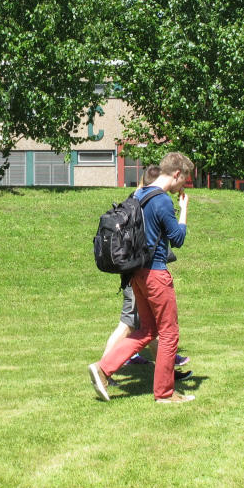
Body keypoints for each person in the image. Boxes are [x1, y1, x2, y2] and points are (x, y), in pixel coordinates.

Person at [88, 151, 194, 403]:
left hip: (136, 274)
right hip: (156, 273)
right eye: (185, 180)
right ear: (176, 174)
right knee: (169, 333)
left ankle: (103, 369)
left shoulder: (140, 194)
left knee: (147, 330)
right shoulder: (163, 201)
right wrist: (184, 211)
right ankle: (165, 394)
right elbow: (177, 240)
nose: (183, 185)